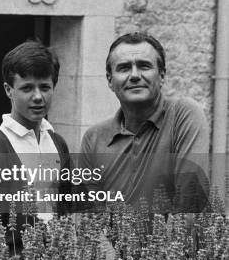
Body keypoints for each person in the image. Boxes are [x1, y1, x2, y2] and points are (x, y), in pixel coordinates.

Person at [0, 41, 72, 254]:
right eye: (27, 88)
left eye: (45, 87)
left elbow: (67, 208)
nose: (38, 97)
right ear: (8, 90)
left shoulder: (58, 144)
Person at [80, 32, 209, 213]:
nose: (134, 75)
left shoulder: (183, 115)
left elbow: (189, 204)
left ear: (162, 75)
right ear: (110, 80)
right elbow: (91, 217)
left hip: (176, 241)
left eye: (144, 66)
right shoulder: (94, 138)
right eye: (124, 68)